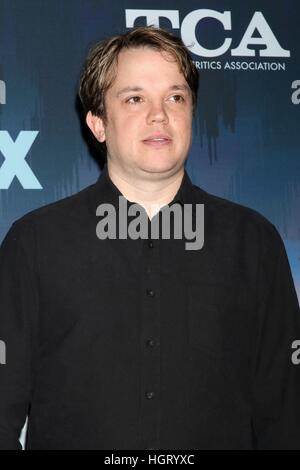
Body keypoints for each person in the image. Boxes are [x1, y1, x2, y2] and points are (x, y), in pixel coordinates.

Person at [0, 25, 299, 450]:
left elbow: (285, 416)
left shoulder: (254, 245)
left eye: (175, 97)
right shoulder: (34, 245)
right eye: (135, 98)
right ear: (98, 123)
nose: (159, 115)